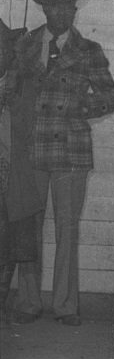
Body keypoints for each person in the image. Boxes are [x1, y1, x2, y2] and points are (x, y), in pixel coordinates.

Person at [3, 0, 114, 327]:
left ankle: (66, 306)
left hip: (71, 152)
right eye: (55, 6)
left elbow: (112, 97)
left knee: (67, 230)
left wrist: (80, 109)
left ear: (74, 9)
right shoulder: (23, 47)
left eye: (68, 6)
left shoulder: (89, 51)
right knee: (28, 225)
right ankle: (27, 302)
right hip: (30, 151)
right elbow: (9, 91)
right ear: (45, 8)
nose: (63, 12)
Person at [0, 17, 41, 323]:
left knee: (11, 240)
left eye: (7, 48)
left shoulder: (23, 84)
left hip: (13, 175)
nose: (5, 54)